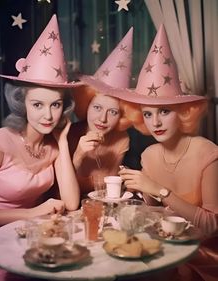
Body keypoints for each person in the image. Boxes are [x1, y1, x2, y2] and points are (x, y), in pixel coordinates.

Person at [0, 15, 81, 281]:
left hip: (32, 239)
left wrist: (62, 143)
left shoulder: (53, 144)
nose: (48, 115)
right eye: (38, 104)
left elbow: (72, 203)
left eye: (56, 104)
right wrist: (31, 213)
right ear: (22, 104)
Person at [119, 25, 218, 281]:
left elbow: (211, 226)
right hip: (165, 250)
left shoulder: (208, 153)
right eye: (148, 114)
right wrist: (139, 192)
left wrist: (159, 189)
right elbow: (154, 215)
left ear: (184, 112)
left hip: (204, 256)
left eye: (165, 111)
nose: (156, 123)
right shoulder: (149, 155)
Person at [68, 28, 135, 197]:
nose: (102, 119)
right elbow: (56, 193)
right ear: (86, 105)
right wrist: (78, 156)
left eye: (113, 112)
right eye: (97, 108)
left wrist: (127, 181)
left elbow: (110, 190)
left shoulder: (121, 139)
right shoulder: (68, 134)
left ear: (122, 116)